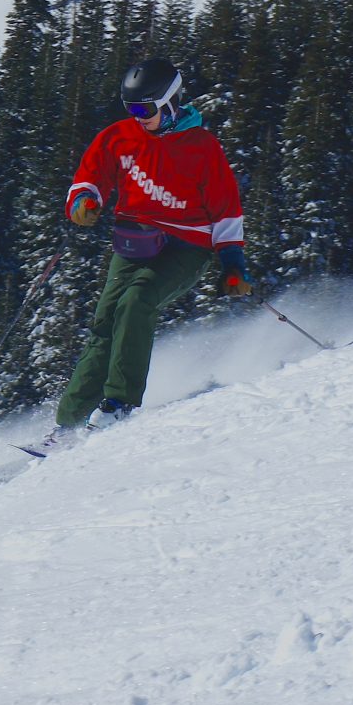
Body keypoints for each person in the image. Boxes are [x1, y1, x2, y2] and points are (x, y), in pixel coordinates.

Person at [50, 57, 253, 441]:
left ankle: (119, 404)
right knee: (105, 323)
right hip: (136, 242)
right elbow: (90, 176)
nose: (139, 118)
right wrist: (84, 202)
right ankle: (69, 423)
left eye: (146, 109)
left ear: (170, 103)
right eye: (132, 109)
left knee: (136, 301)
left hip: (187, 246)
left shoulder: (202, 147)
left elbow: (226, 209)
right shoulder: (119, 137)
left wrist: (232, 261)